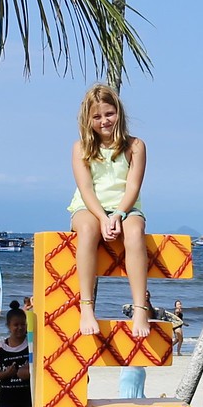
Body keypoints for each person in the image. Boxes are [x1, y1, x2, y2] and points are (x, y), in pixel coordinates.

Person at [69, 83, 152, 338]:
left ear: (118, 113)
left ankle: (139, 307)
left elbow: (133, 186)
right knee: (87, 228)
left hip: (125, 208)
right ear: (88, 119)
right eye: (97, 116)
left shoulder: (135, 145)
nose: (104, 121)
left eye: (109, 114)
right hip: (89, 207)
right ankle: (86, 306)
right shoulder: (81, 147)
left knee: (135, 233)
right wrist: (103, 217)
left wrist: (117, 215)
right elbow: (85, 188)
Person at [0, 303, 32, 407]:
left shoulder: (32, 344)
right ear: (8, 326)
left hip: (29, 398)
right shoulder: (0, 347)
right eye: (16, 325)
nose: (20, 328)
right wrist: (6, 373)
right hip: (6, 399)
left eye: (23, 324)